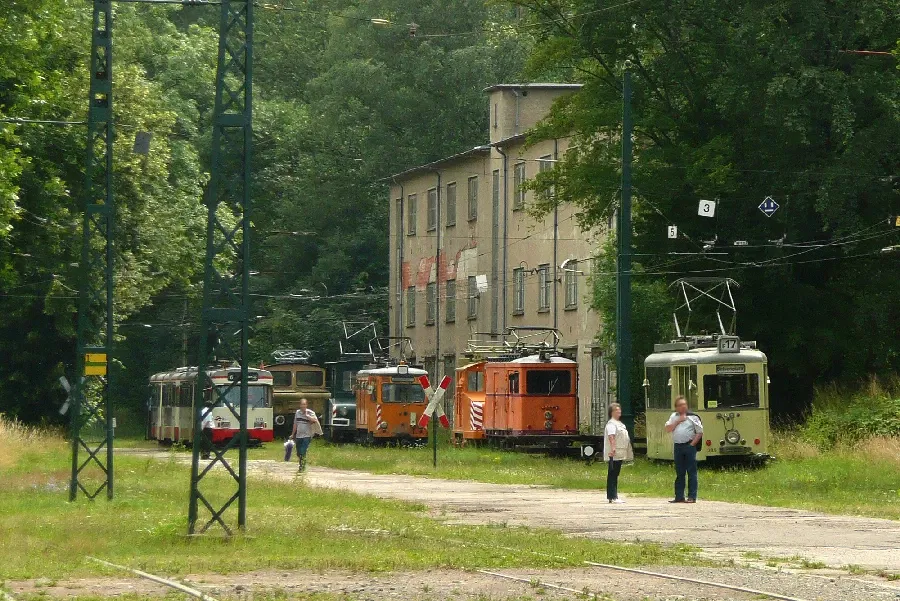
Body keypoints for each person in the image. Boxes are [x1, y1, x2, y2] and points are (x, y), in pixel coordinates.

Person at [664, 396, 703, 503]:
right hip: (678, 446)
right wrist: (677, 421)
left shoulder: (693, 417)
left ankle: (692, 496)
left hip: (689, 446)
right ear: (676, 407)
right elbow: (668, 429)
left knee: (691, 471)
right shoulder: (673, 416)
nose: (683, 407)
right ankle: (679, 496)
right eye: (680, 405)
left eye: (684, 404)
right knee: (679, 472)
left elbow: (699, 432)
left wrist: (692, 444)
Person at [604, 402, 631, 504]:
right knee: (612, 474)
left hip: (620, 453)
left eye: (619, 409)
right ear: (612, 412)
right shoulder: (611, 424)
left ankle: (614, 495)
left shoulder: (620, 424)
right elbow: (611, 437)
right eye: (616, 410)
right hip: (614, 453)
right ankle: (612, 496)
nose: (619, 411)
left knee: (615, 474)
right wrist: (613, 448)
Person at [290, 398, 322, 472]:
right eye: (302, 404)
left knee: (303, 451)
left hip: (307, 435)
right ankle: (301, 463)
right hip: (298, 435)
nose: (303, 406)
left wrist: (307, 416)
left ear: (306, 405)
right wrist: (292, 434)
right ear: (300, 405)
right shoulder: (297, 413)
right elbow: (295, 424)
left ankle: (302, 466)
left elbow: (314, 421)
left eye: (304, 404)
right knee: (298, 452)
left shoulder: (310, 412)